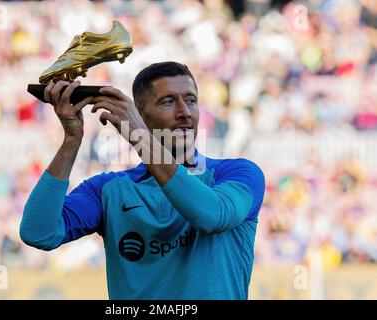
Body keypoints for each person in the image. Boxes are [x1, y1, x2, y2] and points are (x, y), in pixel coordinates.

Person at [20, 61, 265, 299]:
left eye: (191, 100)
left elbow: (211, 215)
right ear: (140, 115)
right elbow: (38, 232)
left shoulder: (239, 173)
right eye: (168, 102)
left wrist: (139, 137)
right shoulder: (107, 190)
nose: (185, 112)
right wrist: (72, 139)